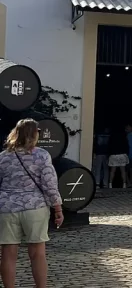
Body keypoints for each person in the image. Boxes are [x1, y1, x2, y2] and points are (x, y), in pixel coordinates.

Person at [0, 119, 64, 288]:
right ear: (35, 134)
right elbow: (49, 185)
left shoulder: (4, 156)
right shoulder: (41, 155)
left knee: (8, 253)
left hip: (7, 208)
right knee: (37, 253)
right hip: (35, 208)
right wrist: (58, 208)